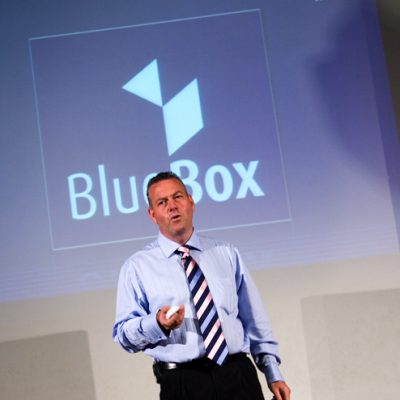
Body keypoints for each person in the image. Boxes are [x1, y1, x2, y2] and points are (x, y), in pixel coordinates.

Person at [113, 171, 291, 400]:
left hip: (237, 376)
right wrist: (157, 323)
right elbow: (123, 335)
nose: (172, 206)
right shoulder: (137, 267)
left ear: (191, 202)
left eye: (177, 197)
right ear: (152, 214)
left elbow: (254, 319)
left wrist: (272, 372)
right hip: (183, 383)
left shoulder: (226, 253)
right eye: (162, 202)